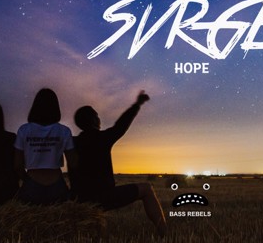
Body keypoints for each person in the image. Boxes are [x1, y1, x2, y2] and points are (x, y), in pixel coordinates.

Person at [72, 91, 166, 237]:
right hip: (104, 198)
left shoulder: (72, 142)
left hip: (79, 198)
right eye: (97, 116)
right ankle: (164, 234)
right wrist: (137, 105)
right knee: (147, 188)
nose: (99, 118)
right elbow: (122, 125)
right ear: (93, 120)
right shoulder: (103, 138)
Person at [14, 88, 77, 205]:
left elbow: (17, 165)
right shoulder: (64, 131)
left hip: (32, 183)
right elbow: (73, 163)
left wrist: (27, 180)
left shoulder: (24, 130)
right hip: (57, 183)